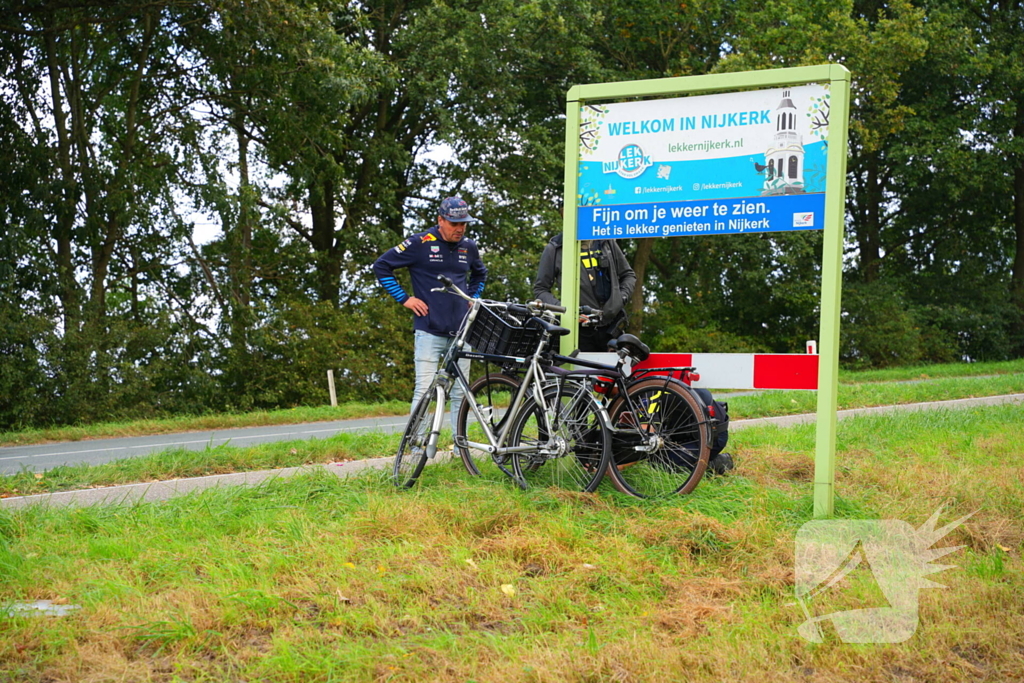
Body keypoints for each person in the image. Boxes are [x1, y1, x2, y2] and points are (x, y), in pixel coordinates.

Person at [373, 196, 487, 430]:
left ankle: (460, 450)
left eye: (464, 224)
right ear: (440, 220)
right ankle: (414, 448)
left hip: (462, 332)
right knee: (424, 390)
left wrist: (474, 297)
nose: (460, 229)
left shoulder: (469, 246)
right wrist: (405, 299)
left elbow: (480, 275)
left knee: (461, 393)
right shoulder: (420, 243)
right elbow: (381, 266)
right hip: (429, 331)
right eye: (455, 224)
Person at [532, 233, 636, 352]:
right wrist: (568, 311)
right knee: (581, 370)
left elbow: (628, 275)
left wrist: (620, 299)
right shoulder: (555, 247)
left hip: (612, 330)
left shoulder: (606, 241)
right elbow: (540, 290)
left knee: (616, 370)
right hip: (578, 334)